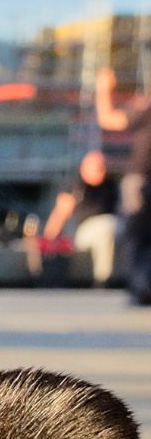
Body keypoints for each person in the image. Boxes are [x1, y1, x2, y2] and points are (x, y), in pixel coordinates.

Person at [94, 66, 150, 304]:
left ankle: (141, 286)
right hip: (142, 179)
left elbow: (108, 118)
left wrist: (103, 88)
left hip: (141, 178)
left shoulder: (147, 106)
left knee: (138, 234)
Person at [43, 150, 121, 287]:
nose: (102, 171)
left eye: (103, 166)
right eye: (98, 167)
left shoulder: (112, 185)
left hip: (115, 226)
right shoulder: (76, 187)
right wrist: (49, 239)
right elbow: (60, 214)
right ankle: (103, 279)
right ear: (84, 168)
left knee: (112, 227)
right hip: (87, 230)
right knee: (105, 229)